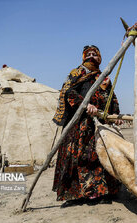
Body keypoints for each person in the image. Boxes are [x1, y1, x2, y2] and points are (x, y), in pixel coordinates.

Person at [52, 45, 122, 208]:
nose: (91, 56)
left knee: (99, 156)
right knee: (77, 158)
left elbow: (112, 98)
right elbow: (68, 93)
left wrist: (116, 115)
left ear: (100, 58)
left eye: (95, 54)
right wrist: (85, 105)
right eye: (88, 54)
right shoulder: (76, 73)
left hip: (99, 125)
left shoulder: (104, 77)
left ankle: (102, 193)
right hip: (79, 125)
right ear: (83, 57)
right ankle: (76, 195)